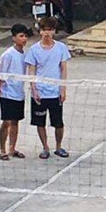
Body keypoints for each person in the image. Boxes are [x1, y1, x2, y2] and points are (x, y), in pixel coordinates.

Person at [26, 18, 71, 159]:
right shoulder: (33, 50)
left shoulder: (61, 48)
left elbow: (63, 69)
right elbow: (31, 70)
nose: (47, 33)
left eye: (50, 30)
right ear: (40, 31)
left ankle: (58, 146)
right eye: (44, 30)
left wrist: (63, 89)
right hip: (40, 92)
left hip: (55, 92)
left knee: (58, 123)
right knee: (40, 122)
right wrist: (34, 89)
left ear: (54, 31)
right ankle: (45, 147)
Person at [0, 24, 30, 160]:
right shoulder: (8, 54)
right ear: (14, 38)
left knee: (16, 122)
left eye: (25, 36)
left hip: (19, 93)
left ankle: (12, 148)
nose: (24, 39)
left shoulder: (25, 55)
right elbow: (0, 74)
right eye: (21, 36)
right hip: (7, 93)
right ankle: (2, 150)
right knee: (7, 122)